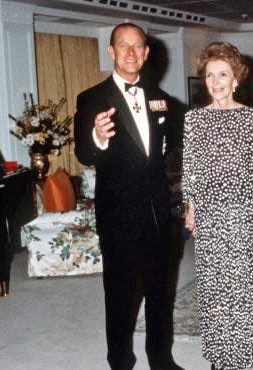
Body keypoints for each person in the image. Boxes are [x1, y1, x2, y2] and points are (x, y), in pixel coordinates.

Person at [73, 22, 182, 370]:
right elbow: (85, 154)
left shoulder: (162, 99)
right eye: (124, 45)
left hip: (159, 214)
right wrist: (98, 136)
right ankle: (120, 360)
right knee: (120, 295)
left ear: (147, 52)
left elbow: (183, 142)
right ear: (111, 51)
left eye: (138, 46)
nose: (131, 52)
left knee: (160, 294)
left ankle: (160, 358)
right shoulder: (91, 99)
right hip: (118, 216)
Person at [182, 42, 253, 370]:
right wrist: (190, 207)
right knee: (213, 283)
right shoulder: (194, 120)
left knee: (241, 283)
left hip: (240, 209)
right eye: (210, 75)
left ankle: (239, 354)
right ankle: (219, 355)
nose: (216, 81)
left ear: (236, 80)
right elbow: (191, 167)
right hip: (207, 209)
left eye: (223, 75)